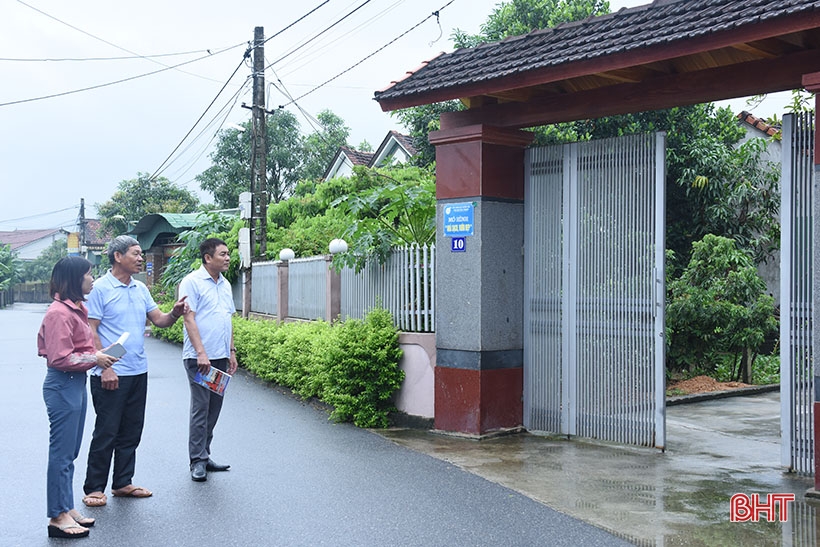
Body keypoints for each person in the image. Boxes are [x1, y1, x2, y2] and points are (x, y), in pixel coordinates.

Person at [81, 235, 187, 507]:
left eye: (141, 254)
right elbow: (91, 330)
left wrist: (174, 313)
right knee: (107, 431)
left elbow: (160, 321)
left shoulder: (140, 289)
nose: (141, 258)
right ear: (118, 256)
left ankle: (122, 483)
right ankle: (94, 488)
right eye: (136, 253)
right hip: (110, 372)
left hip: (138, 371)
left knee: (131, 430)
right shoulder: (101, 289)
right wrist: (105, 367)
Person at [38, 256, 119, 539]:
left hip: (75, 383)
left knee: (70, 453)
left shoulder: (76, 309)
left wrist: (96, 356)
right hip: (62, 384)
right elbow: (60, 357)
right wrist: (94, 357)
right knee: (61, 454)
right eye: (88, 274)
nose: (92, 278)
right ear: (74, 279)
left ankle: (66, 507)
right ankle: (56, 516)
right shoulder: (59, 313)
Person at [178, 237, 237, 481]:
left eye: (228, 254)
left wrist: (231, 351)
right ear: (208, 258)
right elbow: (188, 318)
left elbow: (228, 319)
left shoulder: (225, 284)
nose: (228, 258)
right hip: (199, 358)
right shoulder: (192, 282)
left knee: (214, 407)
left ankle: (205, 453)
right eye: (223, 254)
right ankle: (197, 461)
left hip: (220, 357)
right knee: (201, 408)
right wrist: (201, 352)